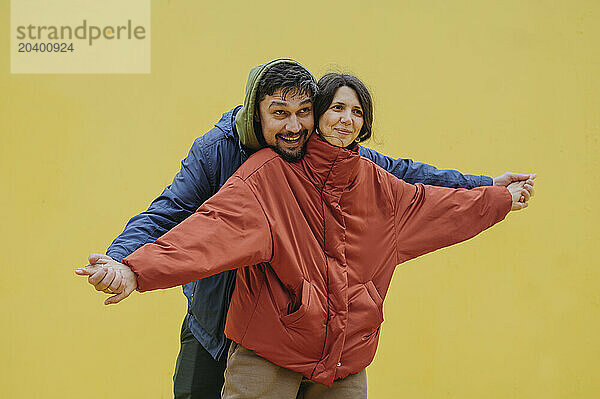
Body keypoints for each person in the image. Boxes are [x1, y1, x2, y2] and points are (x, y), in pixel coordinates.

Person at [78, 60, 535, 398]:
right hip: (219, 317)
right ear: (256, 114)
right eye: (280, 114)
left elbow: (415, 183)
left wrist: (487, 188)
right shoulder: (229, 156)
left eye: (304, 112)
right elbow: (179, 217)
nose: (295, 126)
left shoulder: (353, 168)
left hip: (314, 337)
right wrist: (127, 264)